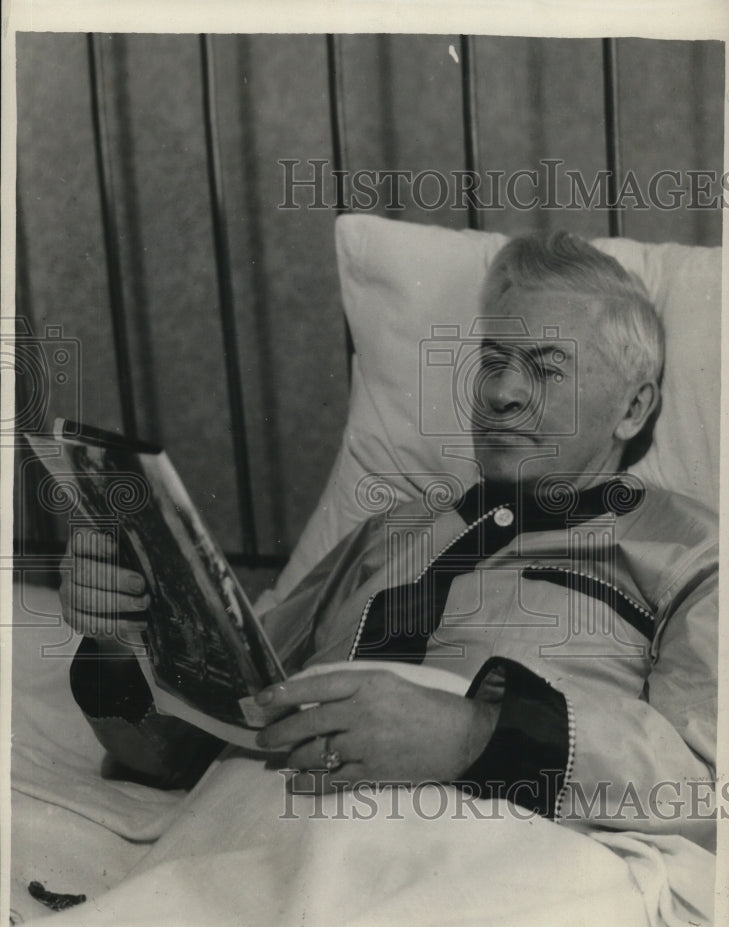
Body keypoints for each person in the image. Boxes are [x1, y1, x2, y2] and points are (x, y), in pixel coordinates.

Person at [60, 231, 718, 847]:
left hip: (484, 869)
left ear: (632, 407)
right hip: (256, 847)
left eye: (546, 369)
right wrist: (119, 643)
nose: (502, 392)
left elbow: (707, 785)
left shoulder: (693, 550)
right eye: (493, 362)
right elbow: (179, 748)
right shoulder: (389, 533)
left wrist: (477, 735)